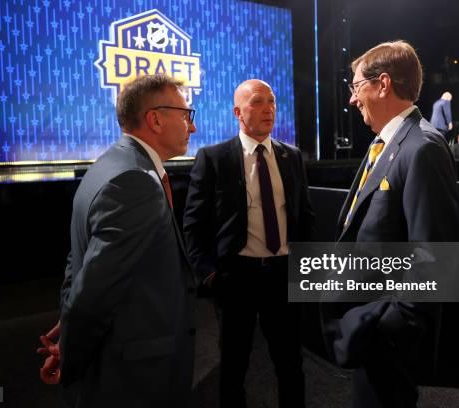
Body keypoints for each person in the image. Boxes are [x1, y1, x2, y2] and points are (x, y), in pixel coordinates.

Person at [39, 74, 198, 407]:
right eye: (187, 115)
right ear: (155, 119)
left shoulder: (109, 165)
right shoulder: (135, 181)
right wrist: (71, 354)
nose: (192, 127)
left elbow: (77, 262)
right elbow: (95, 291)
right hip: (135, 374)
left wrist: (69, 325)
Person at [320, 41, 459, 408]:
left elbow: (434, 259)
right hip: (370, 331)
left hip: (387, 339)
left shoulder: (422, 147)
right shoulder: (383, 143)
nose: (352, 100)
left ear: (382, 84)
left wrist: (384, 328)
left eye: (355, 87)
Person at [183, 79, 315, 408]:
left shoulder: (292, 156)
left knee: (291, 365)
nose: (268, 108)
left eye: (271, 101)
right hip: (236, 279)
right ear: (237, 112)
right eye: (258, 102)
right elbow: (194, 225)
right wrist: (211, 276)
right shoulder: (213, 158)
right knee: (233, 367)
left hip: (284, 276)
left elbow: (305, 216)